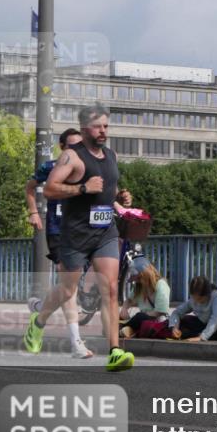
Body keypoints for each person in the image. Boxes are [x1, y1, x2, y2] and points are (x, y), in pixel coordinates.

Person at [22, 104, 136, 371]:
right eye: (98, 127)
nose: (103, 131)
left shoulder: (111, 155)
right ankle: (38, 322)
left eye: (106, 126)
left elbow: (109, 185)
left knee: (109, 289)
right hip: (75, 235)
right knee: (67, 290)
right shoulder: (72, 157)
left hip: (105, 232)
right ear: (85, 128)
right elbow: (49, 189)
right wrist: (83, 187)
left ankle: (115, 351)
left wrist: (120, 197)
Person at [24, 128, 94, 358]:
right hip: (57, 230)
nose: (77, 151)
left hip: (82, 231)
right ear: (62, 147)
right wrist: (34, 212)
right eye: (72, 146)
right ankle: (76, 343)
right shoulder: (50, 167)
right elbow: (30, 187)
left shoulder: (87, 168)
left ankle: (39, 316)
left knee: (68, 287)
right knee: (69, 287)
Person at [168, 276, 217, 342]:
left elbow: (216, 318)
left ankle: (212, 334)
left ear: (207, 294)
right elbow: (177, 312)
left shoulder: (216, 297)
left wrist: (202, 337)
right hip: (207, 324)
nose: (197, 301)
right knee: (186, 320)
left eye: (200, 299)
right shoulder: (193, 300)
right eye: (194, 298)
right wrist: (174, 327)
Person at [119, 258, 171, 338]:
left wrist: (139, 316)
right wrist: (124, 309)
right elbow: (129, 300)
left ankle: (124, 328)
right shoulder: (140, 286)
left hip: (155, 320)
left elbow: (160, 311)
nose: (137, 281)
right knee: (121, 317)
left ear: (145, 274)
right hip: (143, 318)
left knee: (140, 317)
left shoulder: (161, 285)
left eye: (138, 278)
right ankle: (127, 329)